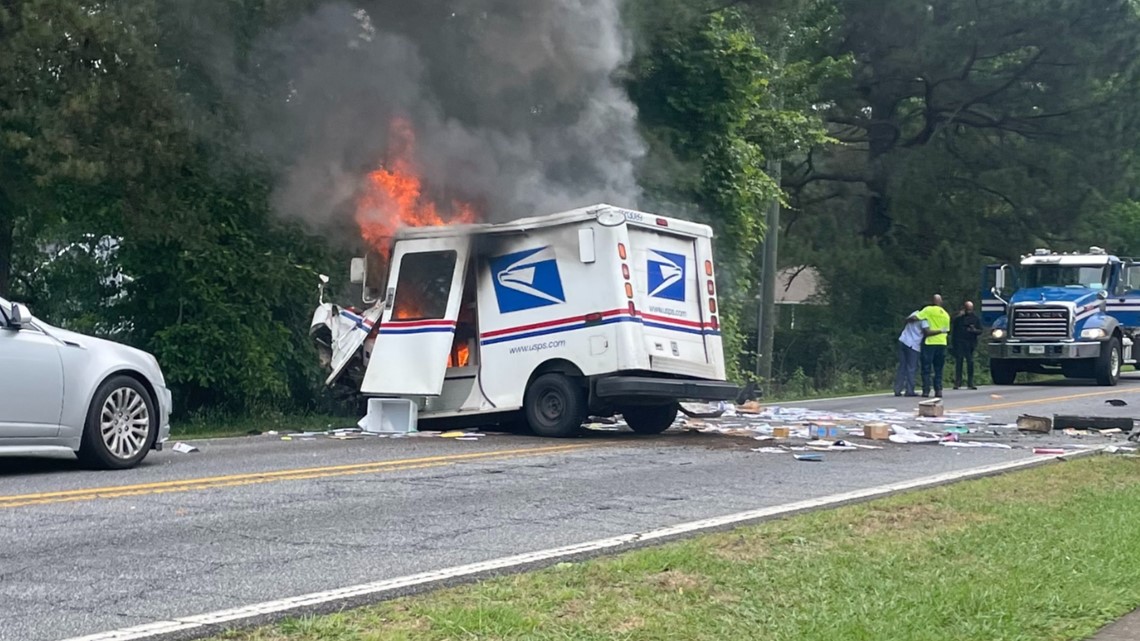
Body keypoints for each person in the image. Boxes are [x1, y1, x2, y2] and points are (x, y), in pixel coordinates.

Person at [917, 294, 951, 397]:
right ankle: (938, 390)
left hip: (930, 342)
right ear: (941, 302)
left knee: (926, 368)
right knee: (938, 368)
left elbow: (917, 317)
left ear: (933, 301)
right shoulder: (946, 315)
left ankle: (926, 390)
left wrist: (908, 319)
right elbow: (946, 330)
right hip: (942, 343)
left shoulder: (928, 310)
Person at [950, 300, 983, 390]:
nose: (968, 311)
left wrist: (974, 330)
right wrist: (958, 315)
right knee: (959, 361)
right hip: (959, 342)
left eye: (970, 309)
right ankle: (958, 382)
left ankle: (970, 382)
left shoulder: (975, 318)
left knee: (970, 362)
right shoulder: (959, 318)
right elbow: (951, 323)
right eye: (967, 309)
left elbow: (980, 330)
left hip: (970, 343)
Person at [893, 310, 923, 397]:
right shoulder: (925, 318)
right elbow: (926, 331)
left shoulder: (915, 313)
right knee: (911, 367)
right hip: (913, 344)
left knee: (902, 366)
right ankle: (909, 390)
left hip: (903, 340)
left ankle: (897, 389)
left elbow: (906, 320)